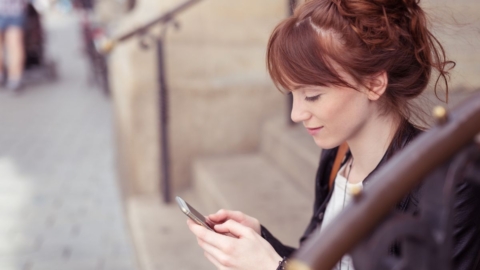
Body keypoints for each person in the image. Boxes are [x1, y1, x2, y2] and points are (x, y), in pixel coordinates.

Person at [186, 0, 480, 269]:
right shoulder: (337, 158)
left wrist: (271, 266)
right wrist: (263, 242)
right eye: (293, 95)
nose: (296, 114)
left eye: (312, 96)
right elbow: (326, 261)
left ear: (374, 84)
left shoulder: (449, 185)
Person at [0, 0, 27, 93]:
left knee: (14, 44)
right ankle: (13, 78)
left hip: (13, 10)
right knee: (14, 45)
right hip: (13, 9)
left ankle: (13, 78)